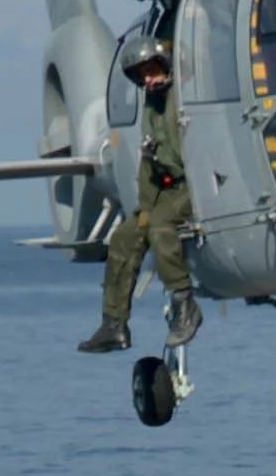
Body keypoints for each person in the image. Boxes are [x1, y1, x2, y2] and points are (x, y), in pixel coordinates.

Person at [81, 45, 200, 355]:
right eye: (143, 76)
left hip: (195, 184)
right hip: (166, 188)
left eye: (152, 72)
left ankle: (184, 304)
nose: (149, 80)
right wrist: (144, 208)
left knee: (161, 226)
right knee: (124, 237)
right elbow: (149, 160)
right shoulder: (152, 105)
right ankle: (114, 324)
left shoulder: (185, 97)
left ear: (166, 65)